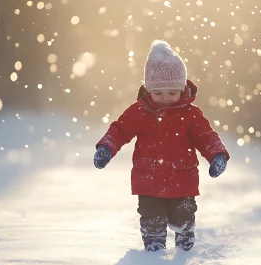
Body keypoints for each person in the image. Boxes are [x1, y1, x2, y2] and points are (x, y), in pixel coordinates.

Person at [94, 40, 230, 252]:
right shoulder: (139, 112)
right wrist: (106, 147)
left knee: (183, 216)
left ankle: (184, 246)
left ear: (183, 88)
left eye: (172, 93)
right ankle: (154, 252)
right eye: (158, 93)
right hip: (148, 180)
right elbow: (120, 130)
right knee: (151, 219)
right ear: (148, 89)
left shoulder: (190, 114)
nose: (166, 99)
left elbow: (206, 136)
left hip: (182, 180)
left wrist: (217, 155)